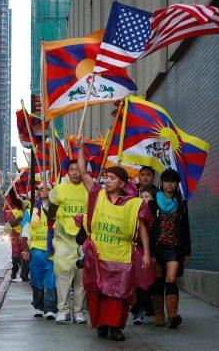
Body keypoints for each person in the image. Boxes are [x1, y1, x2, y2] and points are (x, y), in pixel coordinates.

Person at [75, 137, 153, 341]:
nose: (107, 180)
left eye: (112, 178)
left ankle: (115, 327)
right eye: (106, 177)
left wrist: (146, 253)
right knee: (98, 291)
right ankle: (101, 324)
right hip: (98, 254)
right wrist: (81, 149)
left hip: (121, 255)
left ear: (122, 183)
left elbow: (143, 229)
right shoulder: (97, 194)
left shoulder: (135, 204)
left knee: (119, 294)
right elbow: (83, 173)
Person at [46, 160, 88, 324]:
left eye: (78, 170)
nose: (75, 173)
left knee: (81, 277)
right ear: (67, 172)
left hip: (83, 239)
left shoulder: (89, 189)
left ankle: (78, 312)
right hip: (63, 239)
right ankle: (62, 310)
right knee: (63, 276)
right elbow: (51, 211)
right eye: (71, 170)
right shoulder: (60, 189)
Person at [149, 169, 191, 329]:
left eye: (173, 181)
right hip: (156, 247)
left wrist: (187, 252)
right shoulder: (153, 203)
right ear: (162, 183)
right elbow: (146, 226)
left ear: (177, 184)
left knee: (171, 279)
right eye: (167, 181)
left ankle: (172, 316)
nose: (169, 184)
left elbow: (186, 228)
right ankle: (159, 315)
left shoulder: (182, 204)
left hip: (174, 247)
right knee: (158, 280)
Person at [20, 184, 58, 319]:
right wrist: (25, 248)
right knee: (36, 278)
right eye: (41, 189)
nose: (44, 192)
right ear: (38, 192)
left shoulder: (56, 207)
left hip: (52, 250)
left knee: (51, 279)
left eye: (47, 189)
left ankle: (51, 308)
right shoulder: (31, 210)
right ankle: (38, 306)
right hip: (36, 251)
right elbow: (26, 229)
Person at [130, 168, 159, 325]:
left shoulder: (159, 204)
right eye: (142, 197)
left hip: (156, 248)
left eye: (147, 197)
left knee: (152, 281)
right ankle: (138, 311)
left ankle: (153, 309)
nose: (144, 199)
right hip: (139, 249)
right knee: (140, 281)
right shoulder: (133, 201)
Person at [5, 207, 24, 280]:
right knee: (16, 254)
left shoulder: (28, 211)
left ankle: (24, 273)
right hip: (15, 236)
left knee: (25, 254)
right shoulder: (13, 212)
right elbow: (10, 224)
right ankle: (14, 270)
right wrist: (19, 218)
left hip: (25, 235)